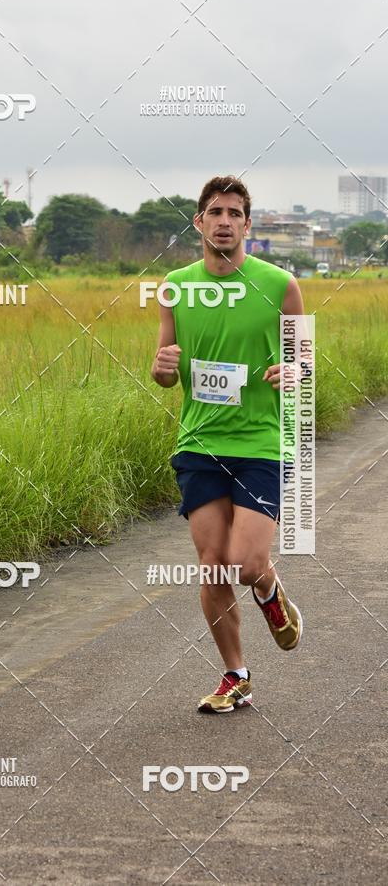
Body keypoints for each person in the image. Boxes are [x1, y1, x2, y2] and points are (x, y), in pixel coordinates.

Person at [151, 175, 304, 713]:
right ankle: (235, 675)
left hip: (260, 441)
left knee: (244, 562)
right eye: (214, 211)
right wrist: (161, 367)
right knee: (213, 564)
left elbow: (302, 358)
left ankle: (268, 590)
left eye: (234, 213)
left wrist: (294, 370)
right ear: (199, 222)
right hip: (198, 440)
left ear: (246, 223)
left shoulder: (280, 284)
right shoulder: (175, 286)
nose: (223, 221)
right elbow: (166, 372)